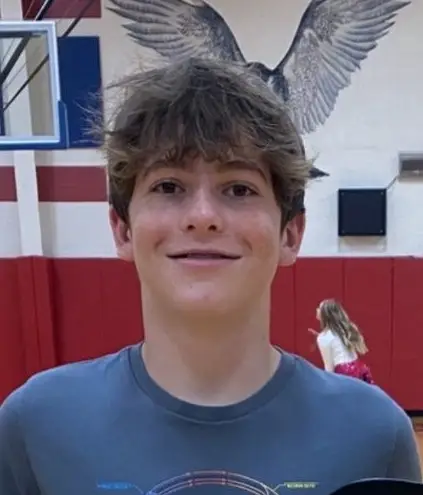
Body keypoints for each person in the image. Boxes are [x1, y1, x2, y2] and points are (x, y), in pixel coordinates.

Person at [0, 57, 421, 495]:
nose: (203, 216)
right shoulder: (36, 427)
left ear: (290, 234)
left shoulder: (375, 435)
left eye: (239, 189)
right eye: (168, 186)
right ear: (122, 229)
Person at [309, 299, 375, 384]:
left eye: (319, 308)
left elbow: (329, 368)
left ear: (325, 314)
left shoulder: (324, 337)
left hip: (344, 373)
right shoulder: (343, 329)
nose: (317, 309)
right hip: (358, 369)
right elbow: (336, 342)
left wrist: (329, 385)